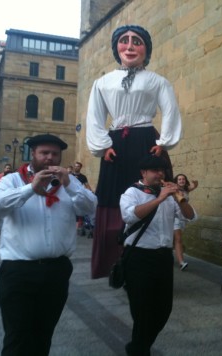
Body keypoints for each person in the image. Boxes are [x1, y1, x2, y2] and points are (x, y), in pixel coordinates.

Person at [86, 24, 182, 278]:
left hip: (145, 140)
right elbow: (95, 117)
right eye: (124, 41)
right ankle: (115, 261)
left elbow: (170, 110)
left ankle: (149, 255)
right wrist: (103, 146)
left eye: (136, 41)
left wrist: (163, 142)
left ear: (146, 49)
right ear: (116, 48)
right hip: (115, 145)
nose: (129, 46)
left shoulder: (158, 81)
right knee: (113, 196)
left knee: (150, 192)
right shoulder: (102, 82)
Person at [0, 134, 97, 356]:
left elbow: (90, 207)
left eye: (54, 154)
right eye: (44, 153)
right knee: (17, 337)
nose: (49, 158)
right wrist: (30, 189)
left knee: (43, 334)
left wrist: (69, 183)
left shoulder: (68, 181)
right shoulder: (13, 180)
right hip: (19, 272)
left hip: (56, 271)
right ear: (33, 155)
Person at [120, 155, 196, 355]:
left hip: (162, 258)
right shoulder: (132, 192)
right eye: (155, 170)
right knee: (142, 310)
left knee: (164, 309)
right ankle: (140, 350)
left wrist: (180, 198)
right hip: (138, 257)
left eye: (162, 170)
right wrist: (160, 198)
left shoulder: (170, 196)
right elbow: (129, 215)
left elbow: (190, 216)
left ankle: (138, 347)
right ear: (143, 173)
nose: (160, 174)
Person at [173, 173, 198, 270]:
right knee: (178, 239)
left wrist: (196, 183)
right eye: (179, 179)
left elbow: (194, 186)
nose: (181, 181)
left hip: (183, 217)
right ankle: (181, 262)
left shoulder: (186, 189)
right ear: (176, 181)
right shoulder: (174, 190)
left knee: (175, 239)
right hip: (174, 216)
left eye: (183, 179)